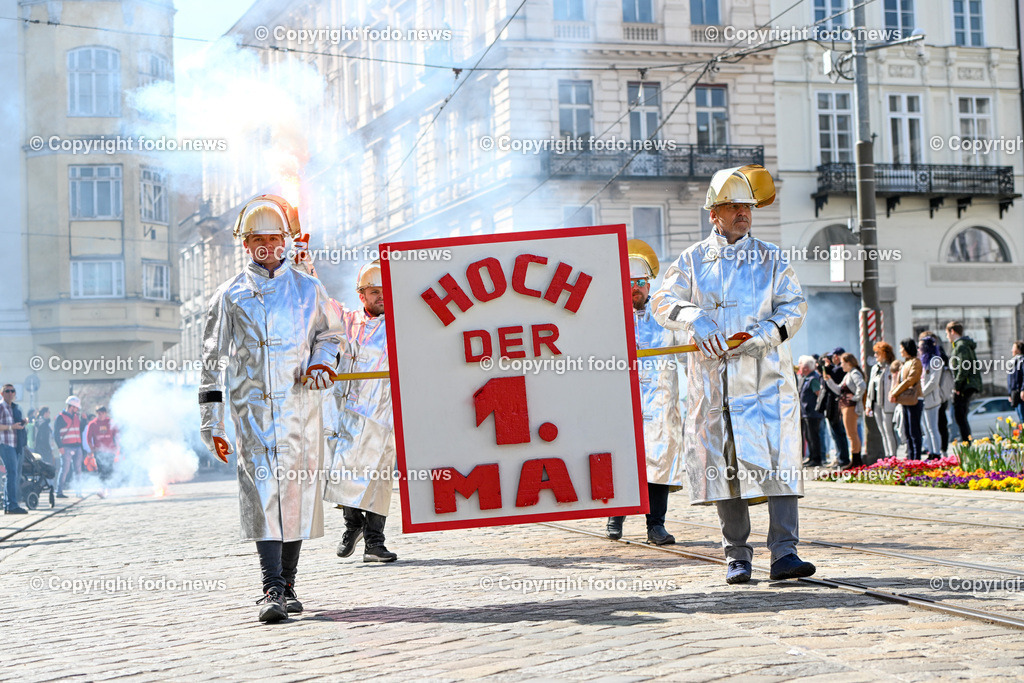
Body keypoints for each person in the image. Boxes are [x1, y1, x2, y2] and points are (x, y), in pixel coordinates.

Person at [651, 164, 815, 584]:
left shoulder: (771, 257)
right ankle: (736, 555)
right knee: (725, 466)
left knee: (779, 460)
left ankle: (784, 552)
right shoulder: (690, 260)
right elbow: (663, 301)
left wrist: (763, 335)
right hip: (715, 384)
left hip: (767, 380)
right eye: (732, 206)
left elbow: (793, 305)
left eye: (746, 206)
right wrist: (695, 318)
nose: (743, 213)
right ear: (714, 213)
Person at [198, 197, 342, 623]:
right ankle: (271, 589)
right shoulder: (228, 296)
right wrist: (212, 422)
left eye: (273, 239)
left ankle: (291, 585)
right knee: (264, 496)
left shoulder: (309, 288)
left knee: (294, 495)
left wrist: (320, 362)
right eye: (257, 239)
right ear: (246, 245)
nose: (266, 246)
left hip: (299, 409)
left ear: (285, 241)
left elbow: (331, 336)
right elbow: (211, 360)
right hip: (252, 413)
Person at [605, 240, 686, 545]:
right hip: (622, 401)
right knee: (622, 458)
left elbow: (687, 354)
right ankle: (616, 515)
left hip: (661, 402)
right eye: (629, 283)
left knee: (659, 459)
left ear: (648, 283)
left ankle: (656, 524)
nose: (635, 288)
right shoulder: (611, 317)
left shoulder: (666, 315)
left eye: (639, 282)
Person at [324, 260, 400, 563]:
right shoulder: (347, 319)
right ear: (362, 295)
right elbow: (318, 299)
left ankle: (374, 543)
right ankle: (352, 526)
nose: (381, 296)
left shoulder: (401, 323)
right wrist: (304, 260)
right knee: (347, 474)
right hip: (351, 412)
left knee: (380, 479)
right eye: (374, 291)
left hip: (386, 411)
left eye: (385, 291)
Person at [823, 353, 866, 468]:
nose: (841, 365)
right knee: (851, 434)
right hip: (846, 406)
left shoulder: (854, 373)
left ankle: (856, 460)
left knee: (852, 434)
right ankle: (856, 459)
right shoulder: (848, 374)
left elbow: (861, 386)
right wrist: (829, 381)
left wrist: (855, 397)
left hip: (850, 406)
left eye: (842, 363)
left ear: (848, 362)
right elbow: (838, 390)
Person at [947, 321, 982, 441]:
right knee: (961, 416)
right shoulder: (961, 345)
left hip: (965, 385)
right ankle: (967, 443)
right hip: (966, 384)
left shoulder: (961, 346)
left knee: (960, 416)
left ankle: (967, 444)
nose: (947, 337)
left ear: (952, 331)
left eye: (947, 333)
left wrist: (957, 386)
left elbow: (963, 367)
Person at [890, 339, 924, 460]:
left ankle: (916, 458)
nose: (900, 350)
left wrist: (895, 392)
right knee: (908, 431)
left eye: (901, 348)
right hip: (905, 399)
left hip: (914, 398)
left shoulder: (916, 362)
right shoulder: (905, 363)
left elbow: (911, 380)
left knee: (914, 431)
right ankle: (910, 457)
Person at [866, 342, 898, 460]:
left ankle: (893, 455)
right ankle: (887, 455)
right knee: (882, 432)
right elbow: (870, 387)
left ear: (884, 353)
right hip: (876, 404)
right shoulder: (875, 368)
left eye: (877, 353)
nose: (875, 355)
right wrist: (868, 405)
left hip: (888, 404)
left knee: (889, 431)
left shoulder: (892, 367)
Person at [819, 348, 851, 467]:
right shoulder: (836, 369)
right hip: (832, 405)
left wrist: (826, 368)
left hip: (836, 405)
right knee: (835, 433)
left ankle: (843, 458)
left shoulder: (838, 370)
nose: (832, 359)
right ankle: (839, 457)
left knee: (838, 433)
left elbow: (828, 380)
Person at [1, 384, 27, 514]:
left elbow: (15, 424)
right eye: (7, 391)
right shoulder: (1, 406)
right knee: (12, 473)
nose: (10, 393)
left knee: (12, 474)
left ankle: (9, 505)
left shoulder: (14, 408)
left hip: (15, 444)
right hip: (5, 443)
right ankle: (12, 505)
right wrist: (12, 427)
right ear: (2, 393)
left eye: (12, 391)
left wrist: (22, 422)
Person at [918, 337, 947, 458]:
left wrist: (922, 393)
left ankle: (937, 453)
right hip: (923, 399)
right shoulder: (923, 361)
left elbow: (934, 382)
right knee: (926, 429)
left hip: (932, 399)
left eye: (920, 347)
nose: (919, 349)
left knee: (933, 428)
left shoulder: (935, 360)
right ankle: (931, 452)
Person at [796, 356, 824, 467]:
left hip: (813, 413)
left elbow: (819, 394)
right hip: (807, 412)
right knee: (809, 436)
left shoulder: (813, 379)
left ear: (806, 368)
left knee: (813, 437)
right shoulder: (807, 377)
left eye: (801, 364)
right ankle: (812, 457)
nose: (799, 367)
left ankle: (816, 459)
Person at [54, 396, 83, 498]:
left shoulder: (76, 417)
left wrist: (84, 420)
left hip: (77, 446)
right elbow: (56, 433)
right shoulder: (60, 417)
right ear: (71, 406)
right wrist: (60, 447)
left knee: (78, 470)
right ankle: (59, 492)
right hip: (66, 447)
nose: (77, 410)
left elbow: (81, 429)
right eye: (76, 408)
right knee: (65, 469)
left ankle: (78, 491)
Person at [85, 407, 119, 481]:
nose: (99, 415)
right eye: (98, 414)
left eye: (101, 413)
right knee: (101, 470)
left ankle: (109, 488)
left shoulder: (111, 422)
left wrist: (116, 448)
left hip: (110, 451)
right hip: (99, 451)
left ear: (105, 413)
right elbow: (88, 438)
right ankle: (102, 488)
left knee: (110, 470)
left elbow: (116, 436)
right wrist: (92, 449)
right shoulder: (92, 424)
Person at [1007, 341, 1024, 424]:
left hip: (1021, 394)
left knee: (1023, 418)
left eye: (1013, 348)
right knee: (1020, 419)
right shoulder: (1013, 361)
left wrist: (1023, 390)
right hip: (1015, 394)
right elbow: (1010, 379)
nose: (1011, 350)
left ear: (1019, 350)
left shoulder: (1022, 360)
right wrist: (1010, 394)